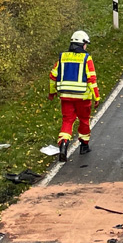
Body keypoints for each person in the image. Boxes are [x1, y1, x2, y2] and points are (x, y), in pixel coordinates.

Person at [48, 30, 99, 161]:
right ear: (82, 44)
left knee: (67, 121)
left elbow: (53, 76)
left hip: (65, 97)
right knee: (84, 120)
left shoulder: (62, 57)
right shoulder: (87, 58)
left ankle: (64, 144)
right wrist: (97, 97)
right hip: (83, 98)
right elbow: (92, 79)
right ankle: (84, 146)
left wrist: (52, 92)